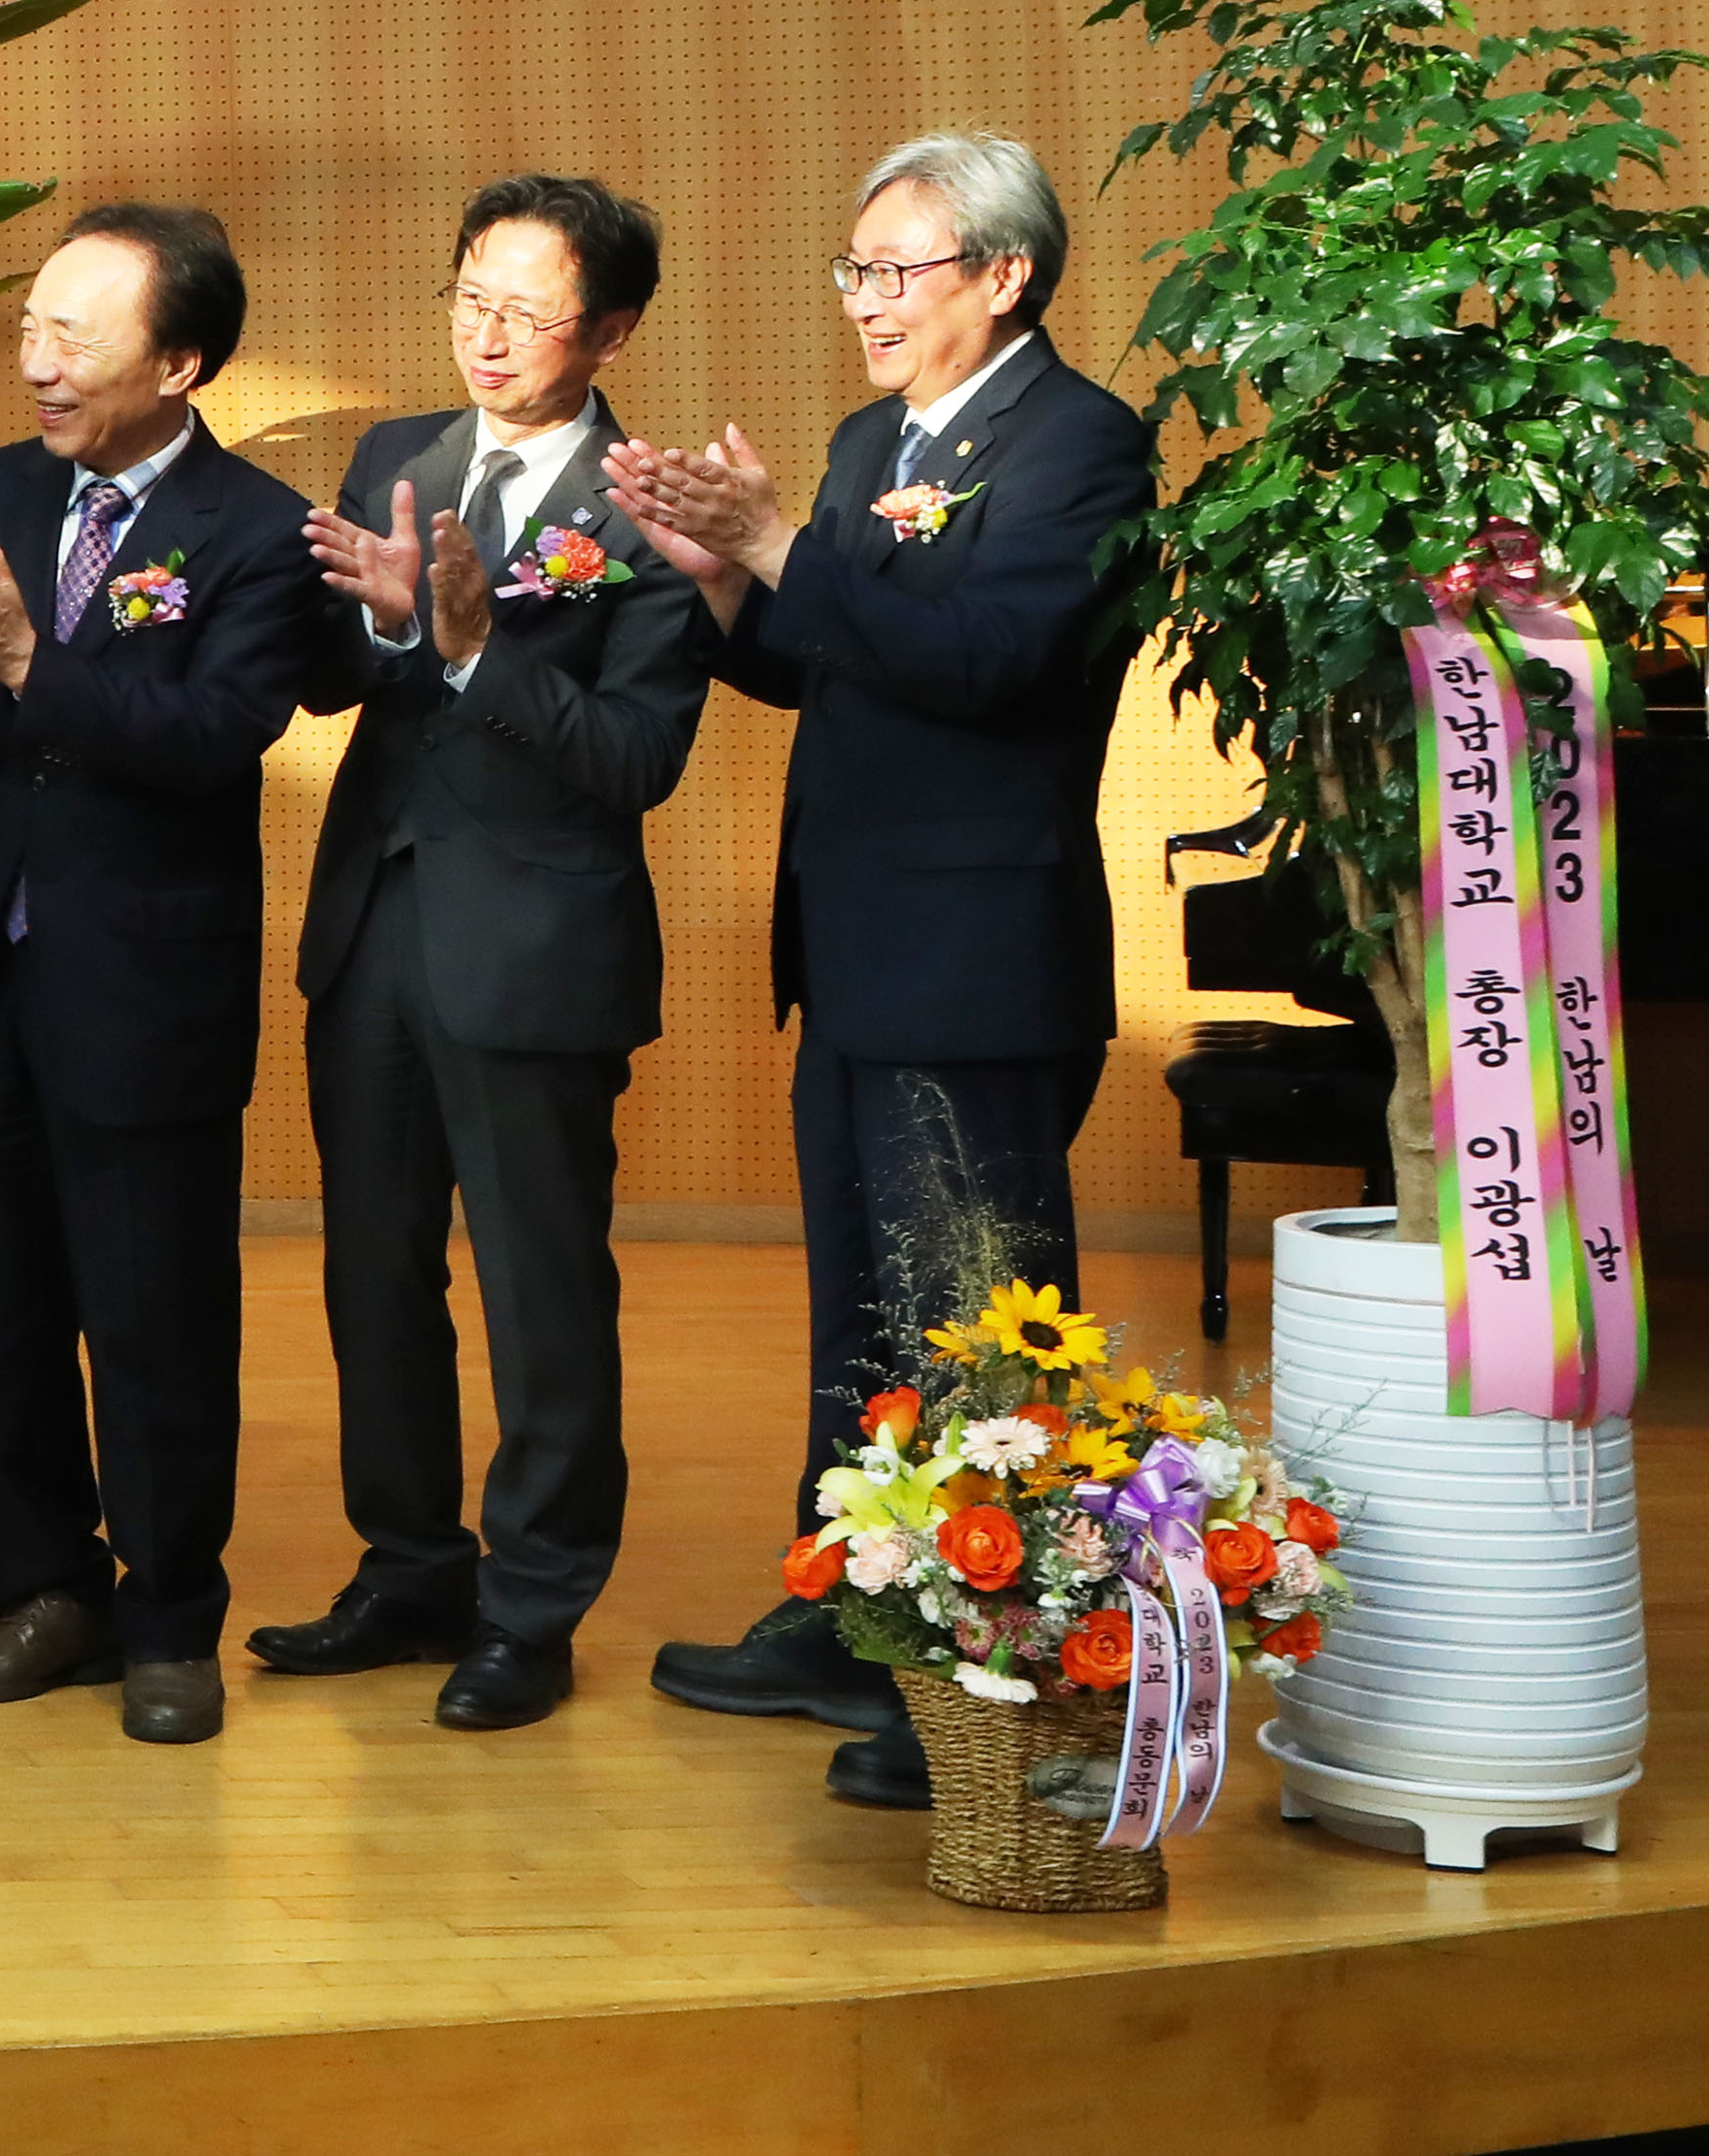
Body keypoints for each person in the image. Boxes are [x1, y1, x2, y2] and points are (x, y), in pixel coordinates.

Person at [613, 130, 1153, 1812]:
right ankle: (846, 1620)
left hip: (977, 958)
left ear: (1006, 271)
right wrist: (725, 583)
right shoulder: (873, 442)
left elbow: (991, 661)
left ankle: (986, 1692)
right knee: (861, 1311)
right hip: (851, 951)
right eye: (854, 271)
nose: (865, 301)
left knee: (975, 1330)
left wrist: (787, 549)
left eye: (895, 271)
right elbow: (829, 656)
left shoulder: (1081, 443)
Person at [251, 177, 704, 1736]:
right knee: (374, 1273)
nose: (488, 336)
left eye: (530, 312)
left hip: (535, 948)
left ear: (612, 331)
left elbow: (637, 756)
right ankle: (409, 1569)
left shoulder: (648, 509)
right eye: (471, 299)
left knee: (539, 1289)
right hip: (374, 925)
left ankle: (533, 1607)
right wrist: (388, 631)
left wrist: (468, 649)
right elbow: (325, 675)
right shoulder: (402, 457)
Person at [0, 206, 319, 1749]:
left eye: (76, 336)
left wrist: (21, 662)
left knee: (156, 1326)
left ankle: (170, 1619)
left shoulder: (258, 531)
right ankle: (42, 1595)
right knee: (2, 1321)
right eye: (33, 328)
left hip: (147, 993)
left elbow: (212, 741)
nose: (39, 362)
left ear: (179, 362)